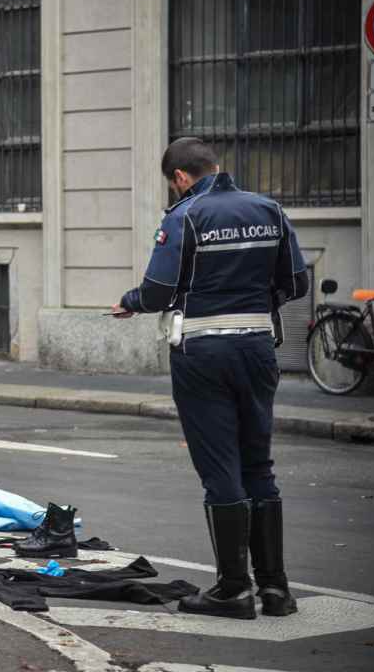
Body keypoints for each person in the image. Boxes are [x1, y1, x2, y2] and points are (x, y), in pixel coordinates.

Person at [112, 137, 308, 620]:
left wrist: (131, 302)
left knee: (221, 469)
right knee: (258, 464)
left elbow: (159, 290)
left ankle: (232, 590)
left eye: (173, 183)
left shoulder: (185, 217)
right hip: (259, 346)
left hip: (203, 351)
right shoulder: (269, 209)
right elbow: (297, 282)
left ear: (181, 177)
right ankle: (276, 591)